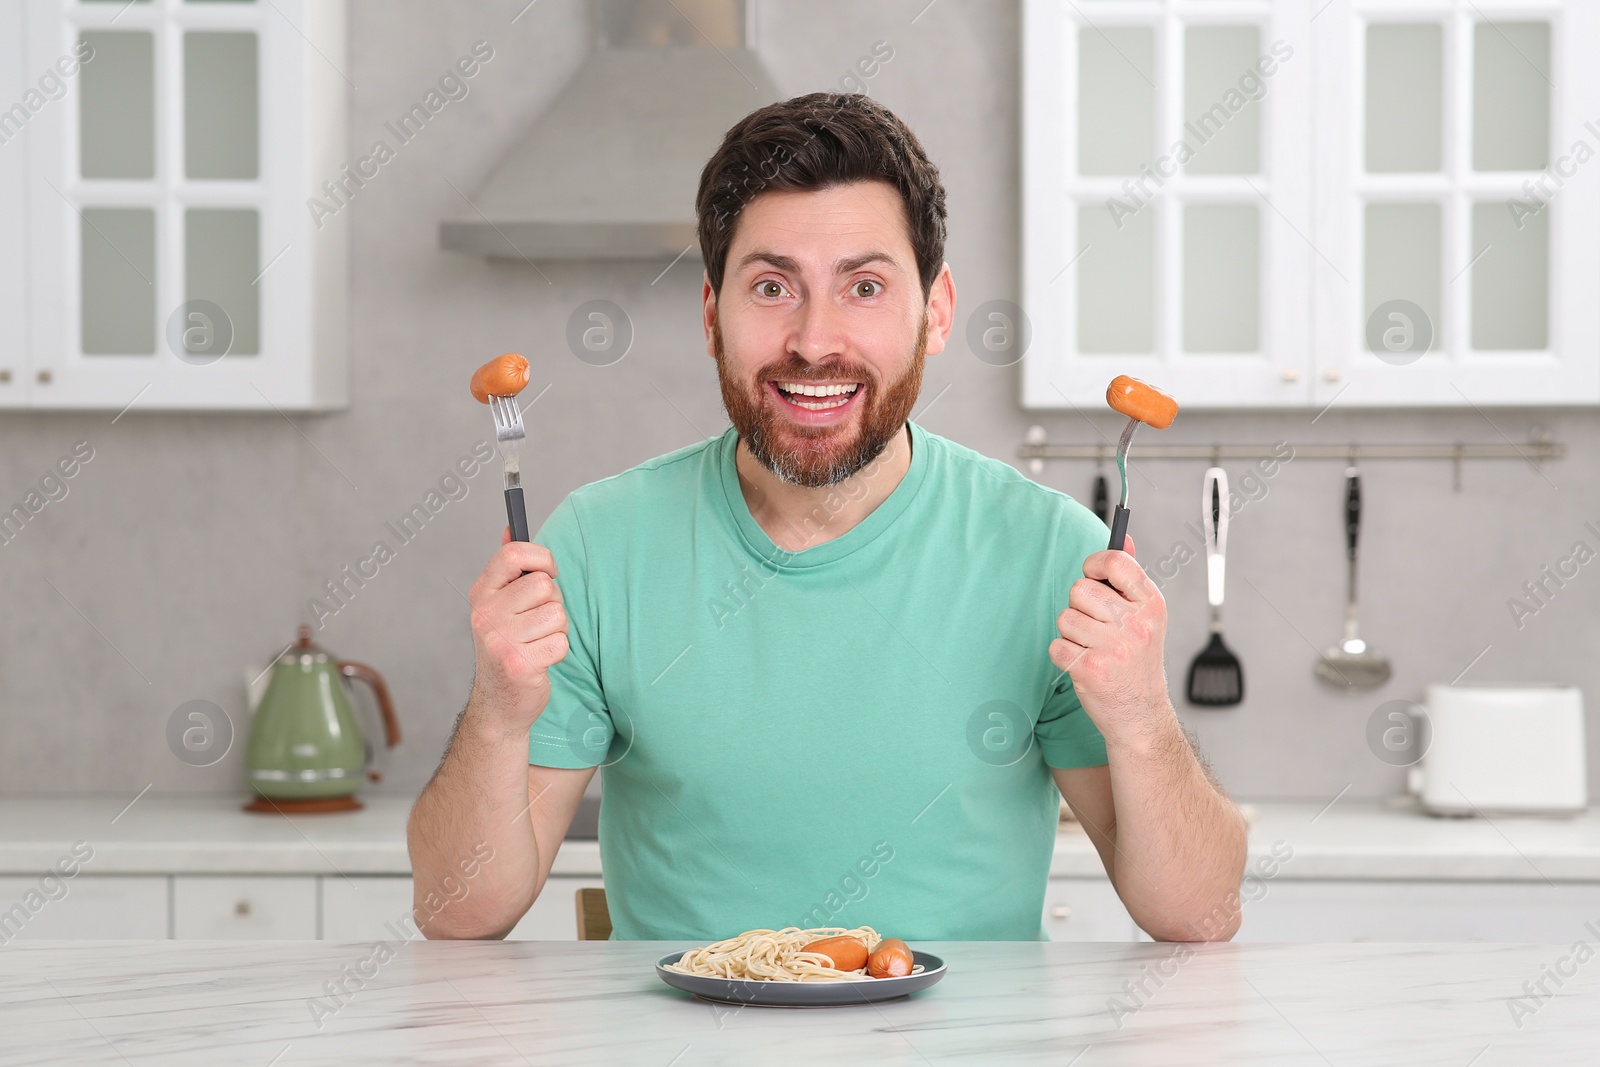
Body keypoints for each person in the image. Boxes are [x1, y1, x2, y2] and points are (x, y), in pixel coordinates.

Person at [408, 92, 1246, 942]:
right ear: (711, 315)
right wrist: (495, 713)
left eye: (866, 286)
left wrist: (1141, 718)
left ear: (938, 312)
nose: (815, 340)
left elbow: (1200, 915)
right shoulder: (595, 544)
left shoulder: (1055, 555)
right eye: (773, 286)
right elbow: (458, 913)